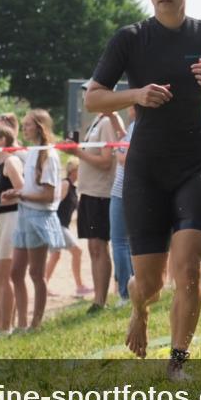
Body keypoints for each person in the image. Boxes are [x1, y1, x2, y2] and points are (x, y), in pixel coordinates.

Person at [84, 0, 201, 377]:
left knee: (190, 267)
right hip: (145, 169)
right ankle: (139, 310)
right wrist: (135, 95)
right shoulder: (131, 38)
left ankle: (178, 361)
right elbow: (93, 96)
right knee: (151, 284)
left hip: (197, 162)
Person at [4, 109, 65, 331]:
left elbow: (48, 195)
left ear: (39, 126)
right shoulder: (31, 152)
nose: (25, 128)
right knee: (16, 272)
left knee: (36, 273)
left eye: (28, 124)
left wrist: (21, 194)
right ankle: (21, 323)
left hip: (39, 216)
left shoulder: (49, 154)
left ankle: (36, 323)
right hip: (24, 213)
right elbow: (30, 188)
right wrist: (16, 193)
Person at [65, 108, 124, 312]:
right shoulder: (98, 121)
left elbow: (107, 161)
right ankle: (98, 299)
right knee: (93, 247)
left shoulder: (107, 122)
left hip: (101, 192)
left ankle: (101, 300)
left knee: (99, 247)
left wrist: (76, 152)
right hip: (90, 191)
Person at [0, 122, 22, 333]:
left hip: (11, 218)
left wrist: (10, 195)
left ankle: (7, 327)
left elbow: (22, 187)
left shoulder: (10, 161)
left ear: (2, 140)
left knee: (3, 274)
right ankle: (1, 325)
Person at [45, 156, 89, 296]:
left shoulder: (73, 187)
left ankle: (44, 284)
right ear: (74, 170)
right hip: (57, 224)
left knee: (55, 255)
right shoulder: (65, 184)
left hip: (62, 225)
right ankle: (79, 286)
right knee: (77, 251)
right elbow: (55, 203)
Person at [109, 111, 136, 306]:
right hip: (131, 190)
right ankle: (131, 290)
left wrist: (118, 151)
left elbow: (124, 158)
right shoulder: (136, 127)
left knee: (119, 243)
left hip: (123, 191)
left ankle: (126, 293)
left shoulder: (137, 127)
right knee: (128, 243)